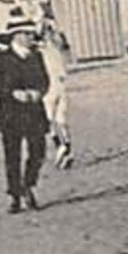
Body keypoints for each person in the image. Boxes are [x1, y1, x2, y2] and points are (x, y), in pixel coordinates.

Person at [0, 18, 50, 214]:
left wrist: (38, 92)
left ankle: (28, 185)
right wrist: (12, 93)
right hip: (10, 114)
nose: (32, 38)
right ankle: (15, 196)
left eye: (32, 34)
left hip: (34, 112)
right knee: (13, 156)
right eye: (28, 34)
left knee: (38, 152)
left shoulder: (36, 56)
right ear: (17, 36)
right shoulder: (2, 59)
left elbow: (45, 80)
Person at [39, 25, 74, 168]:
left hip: (49, 87)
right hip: (62, 87)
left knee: (48, 119)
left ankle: (59, 145)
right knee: (61, 119)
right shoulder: (60, 52)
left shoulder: (42, 52)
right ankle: (68, 148)